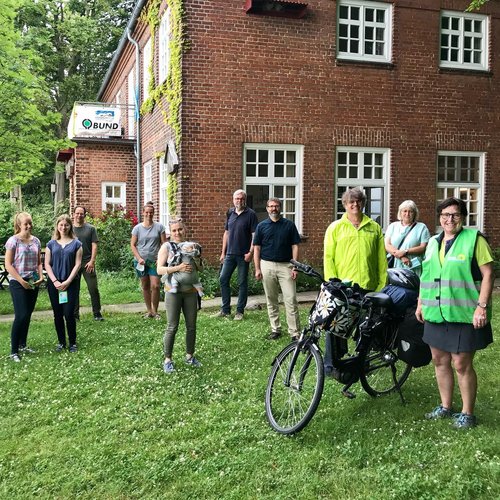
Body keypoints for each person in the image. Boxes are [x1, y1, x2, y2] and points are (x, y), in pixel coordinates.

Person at [416, 197, 494, 429]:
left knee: (461, 364)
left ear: (463, 217)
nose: (450, 219)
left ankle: (467, 413)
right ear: (439, 218)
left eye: (455, 215)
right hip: (435, 311)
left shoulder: (475, 240)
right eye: (445, 215)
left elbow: (488, 274)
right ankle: (445, 406)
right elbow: (426, 275)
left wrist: (481, 306)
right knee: (439, 360)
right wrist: (420, 303)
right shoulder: (433, 242)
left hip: (464, 312)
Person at [323, 187, 387, 374]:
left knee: (365, 328)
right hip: (344, 287)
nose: (355, 204)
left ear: (363, 203)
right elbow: (328, 258)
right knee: (335, 326)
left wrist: (381, 286)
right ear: (345, 204)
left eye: (358, 201)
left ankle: (362, 363)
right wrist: (332, 284)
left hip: (368, 285)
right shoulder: (335, 228)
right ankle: (331, 365)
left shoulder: (374, 227)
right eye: (351, 201)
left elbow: (381, 260)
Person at [157, 219, 202, 373]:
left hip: (191, 292)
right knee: (172, 326)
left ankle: (190, 356)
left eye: (180, 229)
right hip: (173, 292)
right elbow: (159, 269)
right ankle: (167, 360)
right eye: (174, 230)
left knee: (191, 326)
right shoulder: (167, 247)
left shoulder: (192, 246)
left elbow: (200, 268)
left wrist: (196, 259)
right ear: (170, 232)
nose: (177, 233)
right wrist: (178, 267)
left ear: (185, 230)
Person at [253, 198, 301, 340]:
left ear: (280, 207)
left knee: (291, 299)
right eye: (271, 206)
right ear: (267, 208)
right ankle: (275, 329)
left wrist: (295, 267)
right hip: (267, 265)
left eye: (276, 206)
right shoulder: (261, 226)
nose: (274, 209)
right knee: (271, 299)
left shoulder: (289, 225)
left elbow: (295, 246)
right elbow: (257, 248)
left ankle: (295, 332)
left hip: (286, 266)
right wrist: (257, 268)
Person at [5, 212, 44, 362]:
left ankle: (23, 345)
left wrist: (40, 276)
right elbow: (8, 265)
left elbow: (39, 263)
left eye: (30, 223)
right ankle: (14, 351)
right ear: (19, 225)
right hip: (17, 282)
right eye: (25, 223)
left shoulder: (36, 241)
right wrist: (21, 281)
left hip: (33, 281)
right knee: (20, 315)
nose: (28, 226)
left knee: (27, 314)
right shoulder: (13, 241)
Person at [215, 189, 258, 320]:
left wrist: (250, 252)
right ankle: (225, 310)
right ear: (233, 200)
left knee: (242, 283)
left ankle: (240, 311)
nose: (239, 201)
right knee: (223, 279)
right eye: (237, 198)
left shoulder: (251, 214)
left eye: (241, 198)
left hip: (243, 255)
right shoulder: (230, 212)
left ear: (245, 199)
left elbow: (254, 235)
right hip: (229, 254)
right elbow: (226, 233)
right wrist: (223, 252)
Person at [45, 214, 83, 353]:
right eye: (61, 225)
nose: (63, 227)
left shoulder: (77, 244)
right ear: (57, 226)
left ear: (70, 226)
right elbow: (47, 264)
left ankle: (72, 342)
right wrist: (55, 281)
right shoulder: (51, 244)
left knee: (69, 314)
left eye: (66, 225)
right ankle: (61, 342)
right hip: (54, 284)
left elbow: (78, 264)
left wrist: (68, 281)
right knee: (58, 314)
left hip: (70, 283)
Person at [130, 203, 167, 319]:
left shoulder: (159, 227)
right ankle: (149, 311)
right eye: (146, 212)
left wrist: (160, 259)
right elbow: (133, 245)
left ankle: (155, 311)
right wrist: (139, 258)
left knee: (155, 286)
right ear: (143, 213)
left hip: (154, 262)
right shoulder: (137, 228)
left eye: (151, 212)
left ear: (153, 213)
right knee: (145, 286)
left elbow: (164, 244)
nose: (149, 214)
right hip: (141, 262)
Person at [73, 206, 104, 321]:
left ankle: (97, 313)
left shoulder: (91, 229)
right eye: (77, 213)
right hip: (73, 264)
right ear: (74, 214)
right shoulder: (69, 228)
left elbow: (94, 245)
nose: (79, 215)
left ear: (84, 215)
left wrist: (92, 261)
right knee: (74, 290)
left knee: (93, 288)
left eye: (81, 213)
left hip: (87, 263)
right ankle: (75, 315)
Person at [385, 200, 431, 276]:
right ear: (400, 213)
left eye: (411, 211)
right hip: (394, 266)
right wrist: (402, 256)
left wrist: (406, 251)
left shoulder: (422, 227)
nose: (407, 214)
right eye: (405, 211)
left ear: (415, 213)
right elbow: (387, 245)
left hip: (412, 266)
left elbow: (423, 247)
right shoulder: (393, 226)